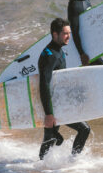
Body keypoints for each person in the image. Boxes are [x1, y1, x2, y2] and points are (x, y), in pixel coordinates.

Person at [38, 17, 91, 160]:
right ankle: (72, 162)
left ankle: (41, 166)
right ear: (55, 34)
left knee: (50, 138)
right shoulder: (50, 56)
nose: (69, 36)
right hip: (55, 105)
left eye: (69, 33)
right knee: (84, 129)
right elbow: (44, 84)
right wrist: (49, 114)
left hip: (59, 101)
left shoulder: (58, 50)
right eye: (65, 33)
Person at [67, 0, 103, 66]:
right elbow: (75, 32)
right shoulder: (75, 5)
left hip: (90, 47)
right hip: (83, 51)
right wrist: (82, 54)